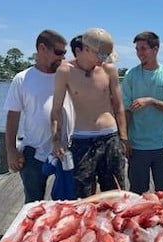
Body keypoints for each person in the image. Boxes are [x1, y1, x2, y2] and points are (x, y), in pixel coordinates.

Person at [51, 28, 128, 198]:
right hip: (81, 139)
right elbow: (56, 110)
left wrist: (123, 137)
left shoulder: (109, 70)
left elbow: (119, 106)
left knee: (116, 192)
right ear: (85, 49)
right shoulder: (65, 71)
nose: (104, 60)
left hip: (110, 137)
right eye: (101, 55)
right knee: (83, 194)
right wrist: (56, 140)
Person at [3, 29, 73, 203]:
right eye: (58, 52)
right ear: (42, 48)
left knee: (67, 204)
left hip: (65, 151)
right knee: (33, 205)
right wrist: (11, 151)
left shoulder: (67, 75)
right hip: (34, 154)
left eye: (65, 53)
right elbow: (13, 117)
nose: (62, 57)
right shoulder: (22, 79)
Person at [121, 31, 163, 194]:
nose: (140, 53)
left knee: (162, 192)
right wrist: (125, 140)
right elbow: (126, 111)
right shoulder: (130, 75)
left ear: (156, 49)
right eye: (137, 49)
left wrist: (151, 101)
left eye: (143, 48)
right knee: (137, 192)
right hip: (137, 145)